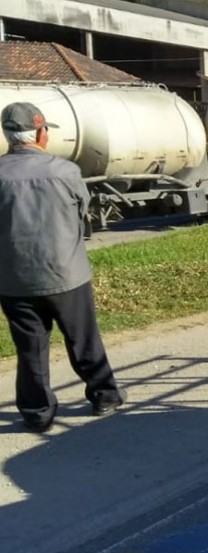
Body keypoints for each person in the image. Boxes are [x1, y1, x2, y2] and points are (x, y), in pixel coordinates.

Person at [0, 102, 126, 432]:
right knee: (83, 339)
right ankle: (104, 395)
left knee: (30, 348)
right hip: (67, 273)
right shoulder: (65, 171)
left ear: (8, 136)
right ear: (41, 134)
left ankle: (37, 413)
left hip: (14, 280)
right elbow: (81, 213)